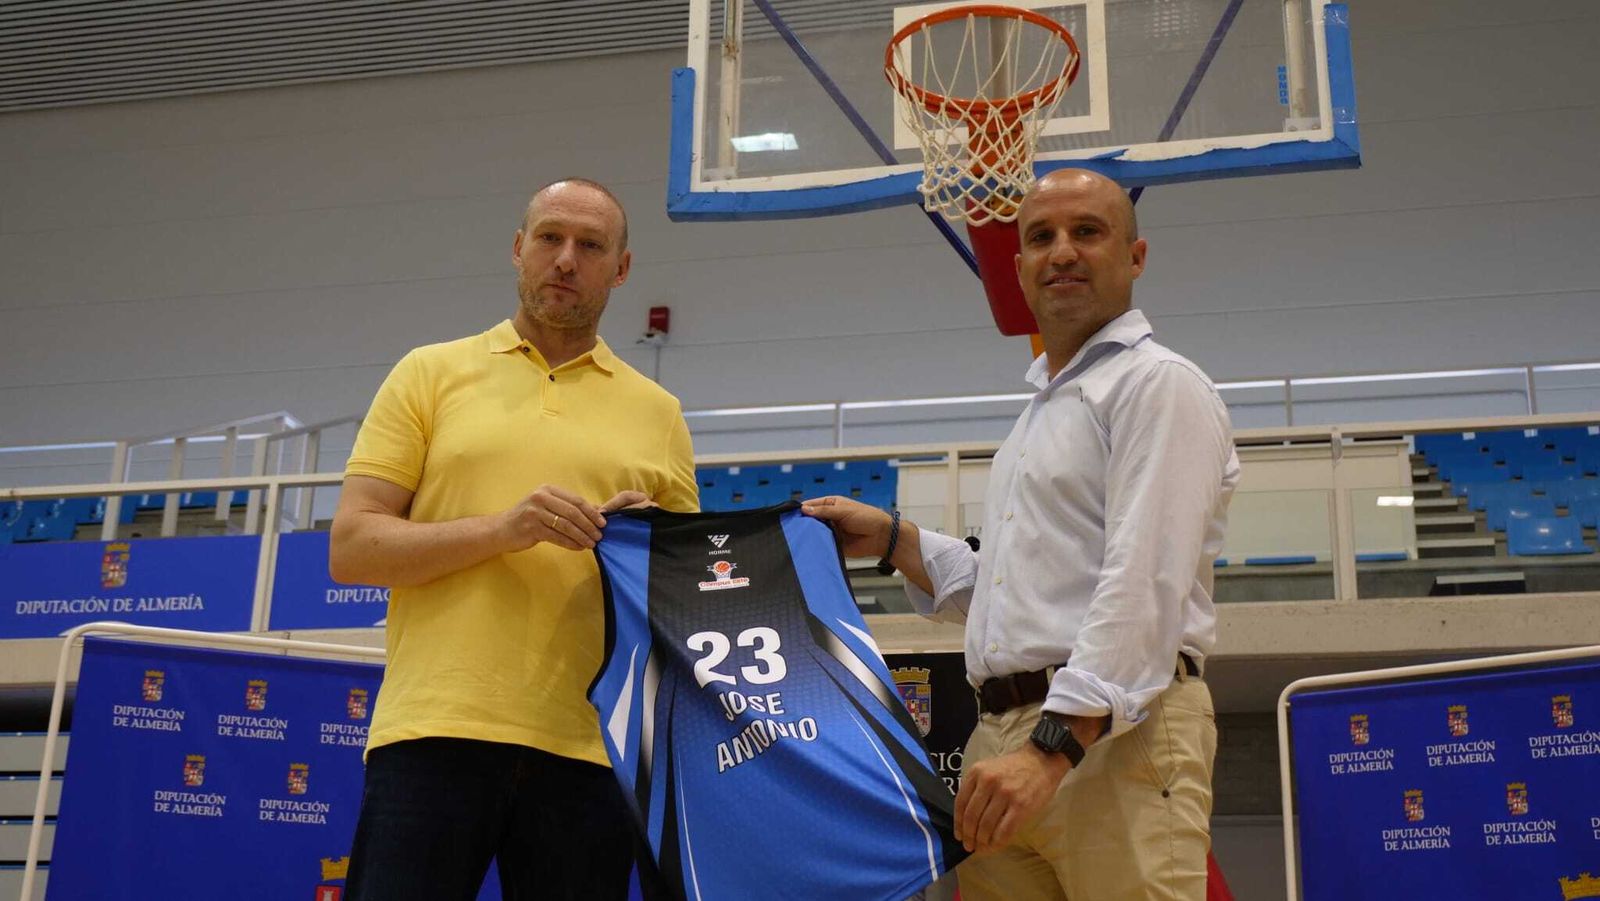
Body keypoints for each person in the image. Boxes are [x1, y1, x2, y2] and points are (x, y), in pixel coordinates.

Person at [804, 168, 1238, 900]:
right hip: (1002, 739)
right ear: (1019, 269)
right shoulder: (1039, 412)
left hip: (1109, 740)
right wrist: (892, 538)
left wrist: (1051, 750)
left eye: (1087, 232)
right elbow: (1013, 591)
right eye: (1041, 237)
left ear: (1135, 257)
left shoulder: (1158, 385)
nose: (1061, 251)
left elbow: (1144, 584)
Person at [328, 177, 698, 900]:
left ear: (620, 269)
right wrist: (504, 528)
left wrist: (644, 540)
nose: (566, 259)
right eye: (549, 237)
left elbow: (685, 598)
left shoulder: (660, 413)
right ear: (517, 249)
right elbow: (352, 547)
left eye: (590, 245)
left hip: (592, 748)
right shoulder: (429, 373)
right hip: (434, 730)